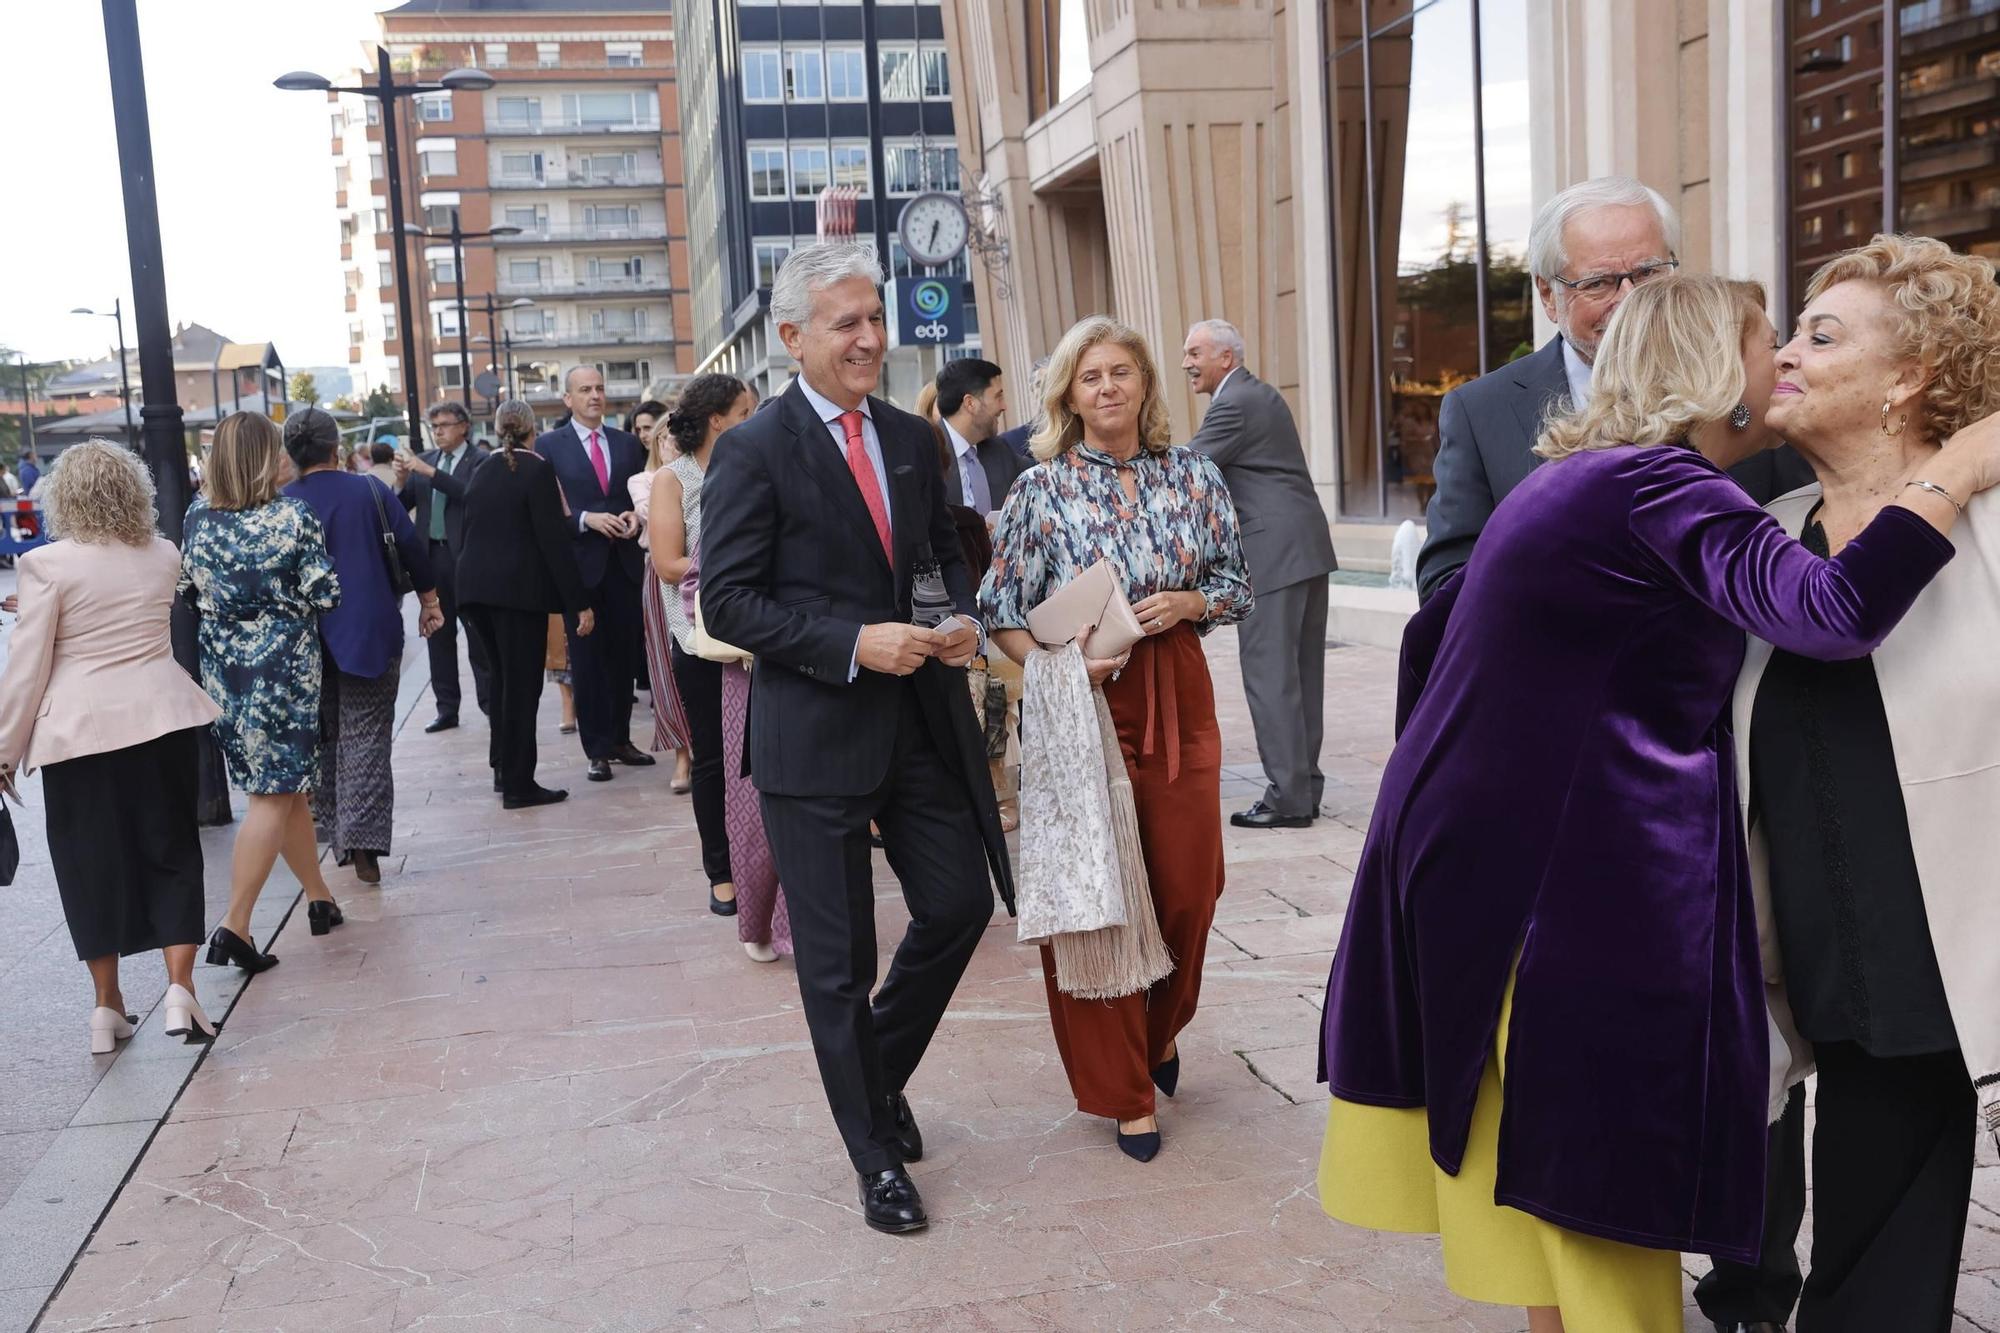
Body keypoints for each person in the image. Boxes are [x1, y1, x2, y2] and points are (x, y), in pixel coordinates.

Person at [1315, 274, 2000, 1331]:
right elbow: (1829, 611)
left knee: (1538, 1189)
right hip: (1561, 890)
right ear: (1709, 370)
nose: (1779, 362)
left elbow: (1429, 640)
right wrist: (1954, 472)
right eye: (1772, 341)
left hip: (1490, 872)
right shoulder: (1657, 490)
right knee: (1591, 1187)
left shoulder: (1577, 482)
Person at [701, 242, 1011, 1235]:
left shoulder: (908, 439)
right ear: (791, 336)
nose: (870, 337)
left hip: (918, 723)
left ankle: (870, 1077)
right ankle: (875, 1156)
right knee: (835, 961)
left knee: (959, 903)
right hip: (813, 737)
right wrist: (847, 642)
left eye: (872, 317)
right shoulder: (752, 449)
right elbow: (728, 600)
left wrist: (950, 615)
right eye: (845, 322)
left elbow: (928, 560)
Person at [1732, 235, 2000, 1331]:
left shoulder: (1990, 531)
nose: (1782, 354)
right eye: (1789, 331)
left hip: (1938, 965)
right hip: (1794, 954)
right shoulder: (1755, 537)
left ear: (1908, 378)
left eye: (1818, 335)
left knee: (1876, 1258)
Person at [980, 315, 1252, 1162]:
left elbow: (1237, 581)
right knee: (1095, 899)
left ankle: (1159, 1029)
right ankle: (1125, 1090)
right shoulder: (1040, 490)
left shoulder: (1195, 474)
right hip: (1083, 703)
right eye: (1090, 376)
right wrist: (1057, 670)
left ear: (1145, 385)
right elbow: (999, 608)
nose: (1107, 388)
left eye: (1121, 372)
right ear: (1068, 392)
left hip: (1177, 688)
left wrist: (1190, 603)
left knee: (1187, 888)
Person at [1416, 176, 1814, 603]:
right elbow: (1445, 587)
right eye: (1599, 282)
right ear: (1548, 295)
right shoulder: (1481, 411)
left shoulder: (1747, 389)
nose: (1628, 301)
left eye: (1647, 273)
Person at [0, 440, 225, 1048]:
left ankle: (107, 1007)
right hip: (162, 719)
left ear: (63, 495)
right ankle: (181, 991)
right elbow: (121, 604)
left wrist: (4, 752)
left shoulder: (46, 564)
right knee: (173, 851)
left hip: (80, 734)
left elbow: (29, 667)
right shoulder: (163, 554)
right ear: (136, 490)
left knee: (89, 863)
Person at [180, 411, 348, 972]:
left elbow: (187, 591)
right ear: (261, 457)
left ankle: (319, 896)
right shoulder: (291, 516)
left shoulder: (197, 517)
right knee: (272, 795)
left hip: (225, 670)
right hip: (284, 670)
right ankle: (236, 926)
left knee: (283, 789)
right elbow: (325, 593)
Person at [1183, 317, 1339, 830]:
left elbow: (1189, 472)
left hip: (1272, 554)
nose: (1187, 362)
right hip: (1304, 550)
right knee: (1300, 677)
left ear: (1226, 357)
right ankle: (1302, 788)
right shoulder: (1258, 395)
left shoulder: (1234, 402)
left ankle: (1287, 799)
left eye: (1196, 352)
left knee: (1271, 679)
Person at [282, 409, 444, 884]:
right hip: (369, 629)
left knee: (327, 736)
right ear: (337, 449)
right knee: (367, 733)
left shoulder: (281, 503)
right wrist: (429, 602)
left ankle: (337, 836)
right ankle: (365, 842)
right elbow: (412, 549)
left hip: (305, 639)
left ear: (292, 455)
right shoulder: (370, 491)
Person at [650, 373, 754, 912]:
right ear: (717, 419)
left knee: (764, 754)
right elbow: (667, 563)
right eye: (743, 413)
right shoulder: (676, 477)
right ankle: (722, 871)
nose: (751, 422)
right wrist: (738, 568)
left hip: (760, 634)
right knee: (713, 757)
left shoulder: (754, 467)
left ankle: (767, 862)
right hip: (701, 638)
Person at [459, 401, 594, 808]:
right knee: (521, 688)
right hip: (516, 594)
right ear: (533, 427)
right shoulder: (536, 469)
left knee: (501, 681)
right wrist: (579, 603)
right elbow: (554, 541)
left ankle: (503, 768)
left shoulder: (483, 467)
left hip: (475, 591)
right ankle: (519, 784)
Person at [536, 367, 653, 782]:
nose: (595, 395)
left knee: (624, 657)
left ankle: (621, 738)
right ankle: (597, 749)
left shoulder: (625, 443)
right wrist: (586, 519)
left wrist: (634, 517)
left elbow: (642, 493)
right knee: (587, 662)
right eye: (585, 390)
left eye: (600, 388)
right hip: (580, 570)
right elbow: (544, 513)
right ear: (567, 399)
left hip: (623, 563)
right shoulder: (549, 446)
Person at [682, 549, 792, 963]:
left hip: (820, 667)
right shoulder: (736, 487)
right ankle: (759, 922)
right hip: (749, 671)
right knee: (754, 809)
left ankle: (801, 923)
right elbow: (693, 585)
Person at [398, 401, 492, 733]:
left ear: (464, 426)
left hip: (468, 560)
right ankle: (446, 708)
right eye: (433, 425)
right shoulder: (424, 462)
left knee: (479, 637)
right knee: (438, 636)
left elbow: (475, 497)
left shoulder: (480, 461)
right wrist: (400, 480)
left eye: (445, 424)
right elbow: (401, 507)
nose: (438, 431)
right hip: (432, 558)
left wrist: (433, 475)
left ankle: (490, 703)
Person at [625, 398, 693, 794]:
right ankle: (681, 753)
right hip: (661, 576)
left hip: (697, 572)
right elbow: (652, 513)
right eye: (663, 436)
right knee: (667, 662)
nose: (670, 442)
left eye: (675, 436)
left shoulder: (700, 474)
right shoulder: (645, 480)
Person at [935, 358, 1031, 516]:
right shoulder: (927, 453)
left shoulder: (1000, 451)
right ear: (970, 403)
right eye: (998, 397)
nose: (1004, 406)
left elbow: (1040, 473)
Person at [993, 357, 1049, 462]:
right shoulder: (1010, 442)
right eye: (1039, 384)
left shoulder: (1083, 434)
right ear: (1032, 390)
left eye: (1050, 383)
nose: (1045, 390)